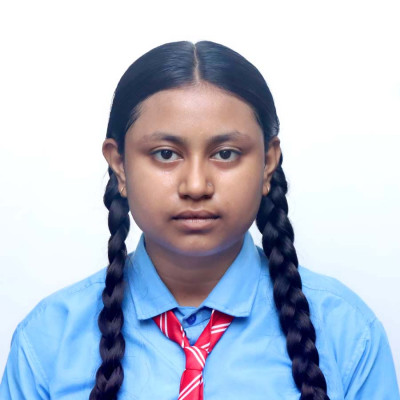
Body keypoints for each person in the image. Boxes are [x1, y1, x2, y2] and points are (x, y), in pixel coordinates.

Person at [0, 40, 399, 400]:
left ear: (267, 163)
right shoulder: (47, 340)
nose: (195, 185)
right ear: (119, 164)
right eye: (165, 154)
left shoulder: (347, 332)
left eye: (225, 154)